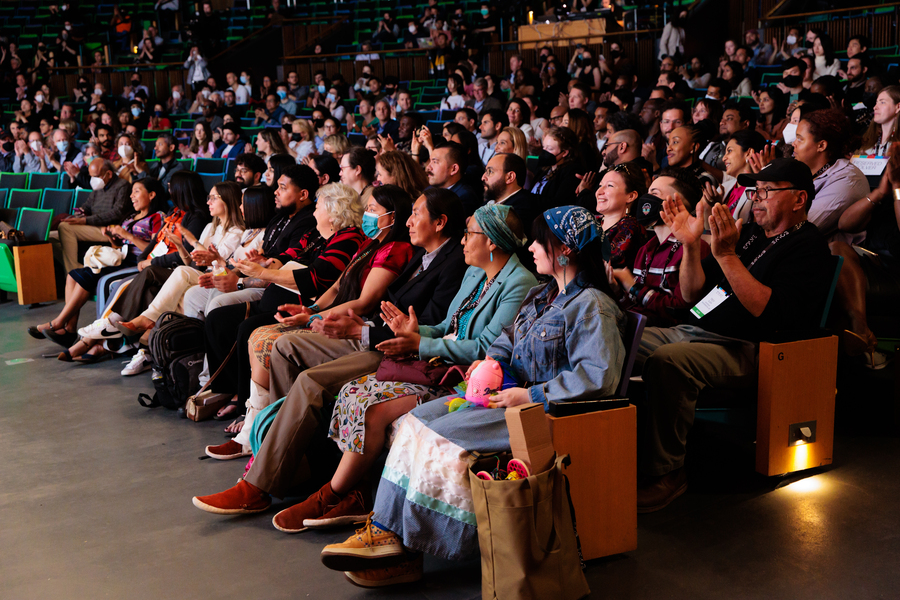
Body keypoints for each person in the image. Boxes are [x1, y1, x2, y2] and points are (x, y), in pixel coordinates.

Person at [318, 205, 625, 587]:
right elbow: (503, 342)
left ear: (566, 250)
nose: (529, 247)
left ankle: (404, 546)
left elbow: (598, 378)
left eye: (539, 241)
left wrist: (530, 396)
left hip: (537, 413)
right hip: (505, 397)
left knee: (441, 442)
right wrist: (488, 369)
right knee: (414, 423)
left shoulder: (593, 306)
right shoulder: (541, 296)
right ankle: (388, 533)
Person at [268, 203, 537, 531]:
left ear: (492, 242)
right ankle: (356, 494)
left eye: (470, 233)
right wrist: (413, 331)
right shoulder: (474, 273)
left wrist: (419, 344)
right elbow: (444, 326)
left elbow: (486, 348)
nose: (463, 241)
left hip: (466, 377)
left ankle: (331, 494)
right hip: (436, 361)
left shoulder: (520, 283)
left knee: (371, 407)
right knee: (354, 390)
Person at [636, 158, 834, 512]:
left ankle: (668, 473)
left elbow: (769, 311)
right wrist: (690, 244)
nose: (756, 198)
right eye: (755, 191)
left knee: (669, 362)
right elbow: (694, 293)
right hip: (695, 329)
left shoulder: (808, 246)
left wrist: (726, 254)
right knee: (622, 334)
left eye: (766, 191)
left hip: (749, 348)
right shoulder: (753, 235)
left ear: (799, 199)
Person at [202, 185, 410, 456]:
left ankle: (265, 433)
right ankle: (255, 428)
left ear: (393, 217)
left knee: (265, 339)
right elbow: (335, 288)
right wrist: (311, 309)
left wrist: (316, 315)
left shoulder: (392, 248)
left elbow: (364, 302)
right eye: (367, 208)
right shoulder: (368, 244)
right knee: (257, 336)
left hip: (352, 323)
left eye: (373, 210)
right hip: (331, 312)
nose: (367, 214)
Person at [114, 185, 273, 338]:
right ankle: (149, 340)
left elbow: (215, 264)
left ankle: (142, 327)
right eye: (208, 198)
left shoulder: (239, 232)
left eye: (213, 198)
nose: (208, 202)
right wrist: (181, 246)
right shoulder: (232, 230)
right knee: (144, 286)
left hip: (222, 276)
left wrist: (193, 242)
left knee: (171, 274)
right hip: (211, 272)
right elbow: (194, 262)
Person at [28, 178, 167, 349]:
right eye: (131, 192)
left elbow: (154, 250)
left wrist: (128, 235)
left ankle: (58, 323)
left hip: (138, 263)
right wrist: (112, 237)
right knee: (73, 275)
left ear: (151, 194)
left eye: (136, 191)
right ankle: (69, 329)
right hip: (122, 259)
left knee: (88, 277)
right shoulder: (131, 216)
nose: (132, 196)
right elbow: (120, 247)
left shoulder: (157, 218)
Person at [613, 168, 711, 327]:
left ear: (676, 203)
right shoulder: (645, 249)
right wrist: (618, 290)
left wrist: (633, 287)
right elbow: (635, 305)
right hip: (637, 325)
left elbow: (680, 311)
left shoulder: (694, 247)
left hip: (666, 333)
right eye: (648, 192)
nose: (646, 198)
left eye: (654, 193)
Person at [791, 109, 870, 244]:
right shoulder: (807, 172)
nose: (794, 143)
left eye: (800, 138)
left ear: (821, 145)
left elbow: (799, 229)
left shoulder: (847, 180)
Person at [56, 159, 132, 273]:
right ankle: (79, 267)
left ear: (109, 174)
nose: (93, 180)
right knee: (52, 236)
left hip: (108, 230)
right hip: (94, 225)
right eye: (91, 176)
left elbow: (117, 213)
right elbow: (87, 206)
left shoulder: (123, 186)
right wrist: (78, 214)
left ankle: (72, 274)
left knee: (64, 228)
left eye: (96, 176)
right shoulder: (98, 188)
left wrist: (86, 220)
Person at [595, 163, 648, 269]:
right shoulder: (592, 220)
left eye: (610, 186)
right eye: (600, 186)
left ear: (631, 196)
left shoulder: (630, 227)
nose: (599, 192)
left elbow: (607, 263)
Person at [426, 142, 481, 216]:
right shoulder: (429, 190)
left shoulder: (463, 198)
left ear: (454, 169)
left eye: (435, 162)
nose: (428, 167)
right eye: (430, 161)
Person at [858, 86, 900, 156]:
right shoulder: (868, 137)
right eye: (876, 103)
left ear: (898, 107)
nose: (875, 107)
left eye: (882, 102)